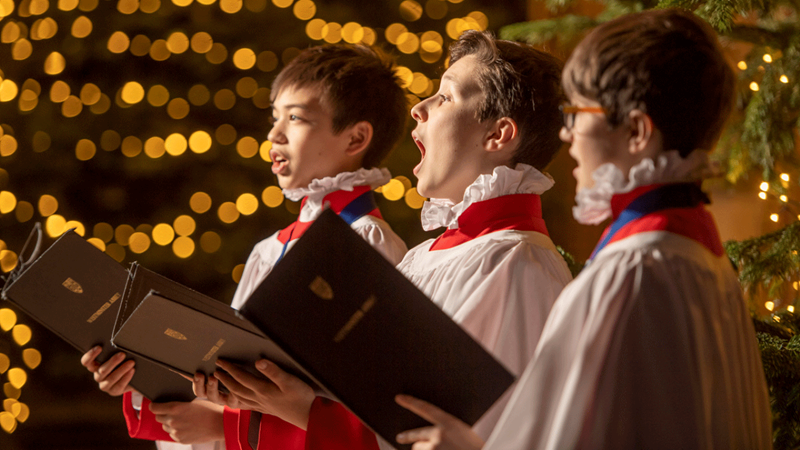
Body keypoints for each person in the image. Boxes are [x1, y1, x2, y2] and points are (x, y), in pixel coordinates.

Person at [393, 8, 773, 450]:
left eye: (580, 112)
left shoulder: (633, 268)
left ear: (635, 131)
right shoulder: (692, 254)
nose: (568, 134)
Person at [195, 30, 573, 450]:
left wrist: (305, 411)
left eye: (445, 97)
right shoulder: (423, 257)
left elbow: (484, 434)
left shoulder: (516, 265)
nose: (419, 109)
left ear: (498, 135)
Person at [80, 43, 410, 450]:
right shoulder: (270, 250)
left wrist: (223, 427)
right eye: (275, 117)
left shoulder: (367, 244)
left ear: (356, 137)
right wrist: (138, 376)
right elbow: (230, 374)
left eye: (296, 118)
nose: (274, 134)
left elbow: (369, 409)